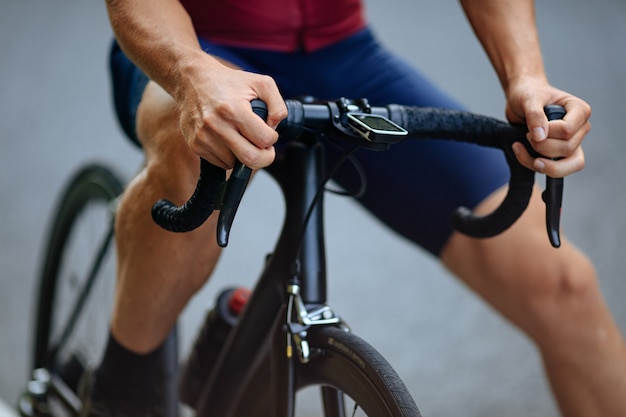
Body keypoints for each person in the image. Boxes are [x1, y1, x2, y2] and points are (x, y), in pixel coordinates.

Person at [85, 0, 625, 416]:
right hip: (196, 43)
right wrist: (191, 72)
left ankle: (235, 345)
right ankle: (123, 383)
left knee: (564, 287)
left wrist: (526, 76)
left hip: (342, 56)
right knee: (188, 158)